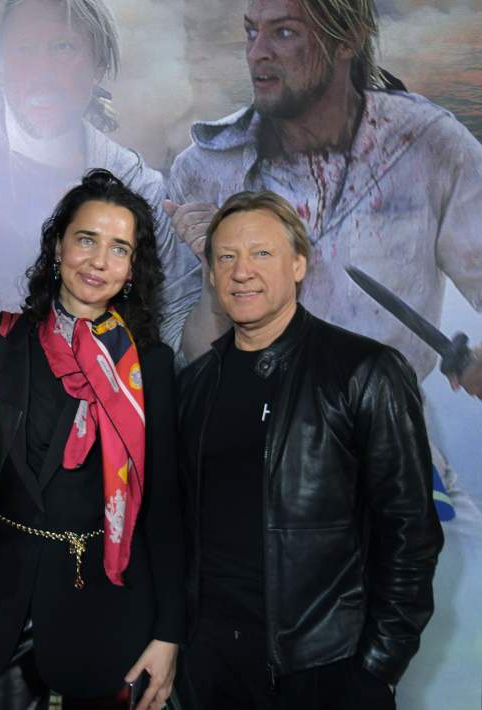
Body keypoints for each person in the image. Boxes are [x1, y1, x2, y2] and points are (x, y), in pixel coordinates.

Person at [176, 190, 442, 709]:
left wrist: (378, 670)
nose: (241, 271)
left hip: (326, 672)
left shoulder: (366, 373)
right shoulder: (194, 387)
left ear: (299, 264)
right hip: (210, 669)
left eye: (262, 253)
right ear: (210, 274)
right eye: (226, 257)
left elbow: (411, 535)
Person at [166, 0, 482, 398]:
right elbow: (194, 362)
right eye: (251, 32)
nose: (257, 52)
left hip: (385, 423)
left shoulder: (426, 144)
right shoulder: (205, 169)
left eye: (284, 32)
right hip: (254, 423)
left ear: (347, 38)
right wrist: (214, 280)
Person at [0, 169, 185, 710]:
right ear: (58, 247)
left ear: (132, 269)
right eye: (86, 239)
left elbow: (164, 508)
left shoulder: (150, 365)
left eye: (119, 249)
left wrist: (169, 633)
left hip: (107, 608)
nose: (98, 261)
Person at [0, 0, 198, 356]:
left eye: (63, 47)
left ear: (99, 64)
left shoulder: (130, 182)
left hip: (69, 381)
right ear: (0, 64)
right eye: (24, 49)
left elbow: (175, 322)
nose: (41, 71)